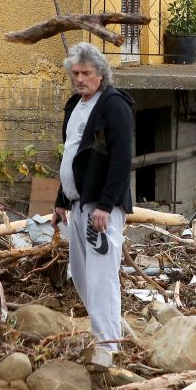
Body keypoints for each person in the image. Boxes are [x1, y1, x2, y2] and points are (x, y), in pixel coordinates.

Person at [52, 42, 134, 366]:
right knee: (83, 276)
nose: (80, 79)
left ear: (101, 73)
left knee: (102, 276)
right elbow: (72, 154)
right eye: (75, 73)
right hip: (77, 204)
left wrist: (105, 204)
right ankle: (107, 333)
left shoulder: (114, 105)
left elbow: (121, 158)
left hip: (101, 208)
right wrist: (61, 199)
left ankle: (109, 346)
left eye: (86, 73)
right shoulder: (74, 106)